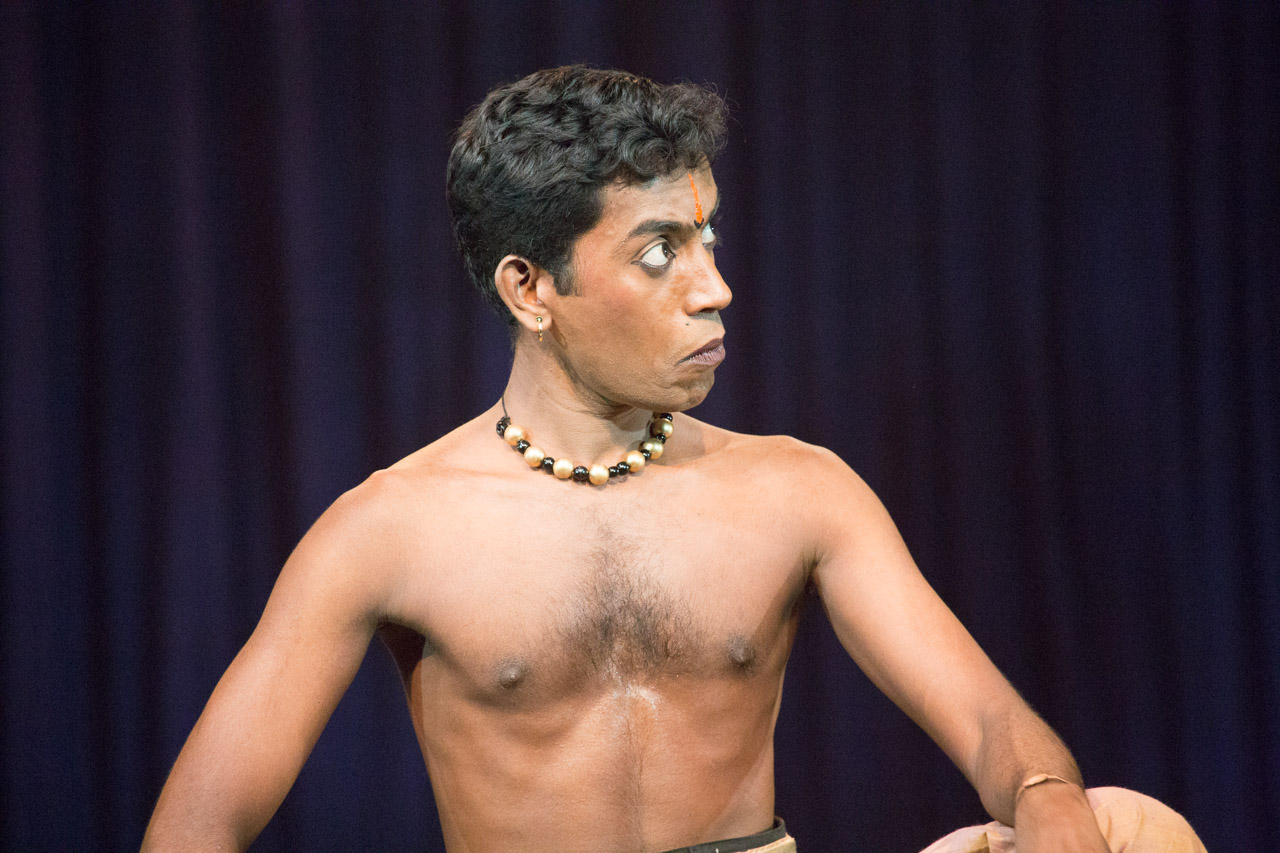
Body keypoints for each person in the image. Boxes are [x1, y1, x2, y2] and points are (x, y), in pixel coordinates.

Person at [143, 65, 1203, 853]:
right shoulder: (387, 529)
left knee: (1132, 828)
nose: (714, 288)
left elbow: (990, 721)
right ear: (529, 289)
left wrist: (1043, 797)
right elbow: (194, 826)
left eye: (709, 241)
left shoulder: (798, 490)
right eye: (660, 253)